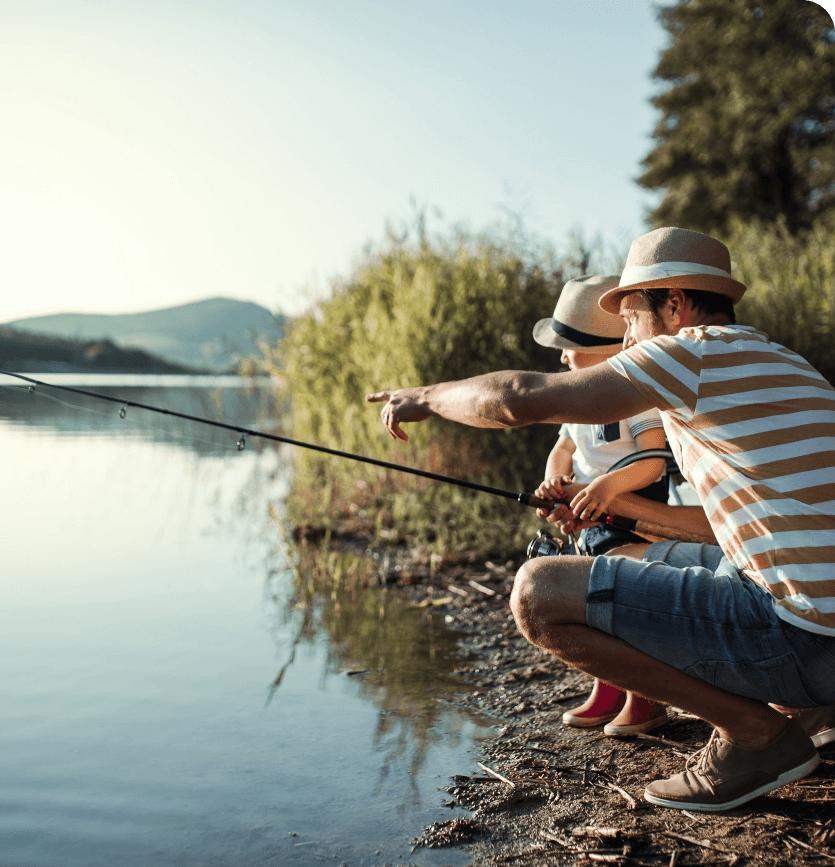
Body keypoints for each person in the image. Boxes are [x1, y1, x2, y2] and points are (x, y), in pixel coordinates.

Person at [366, 226, 835, 812]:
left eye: (632, 318)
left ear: (674, 303)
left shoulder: (688, 354)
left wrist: (429, 396)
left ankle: (758, 735)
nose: (628, 338)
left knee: (539, 593)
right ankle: (808, 706)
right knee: (707, 566)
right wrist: (617, 506)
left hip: (806, 642)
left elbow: (518, 397)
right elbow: (735, 533)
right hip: (825, 636)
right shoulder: (788, 367)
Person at [531, 274, 669, 736]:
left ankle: (644, 696)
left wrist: (608, 488)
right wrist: (556, 479)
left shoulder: (638, 395)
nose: (563, 356)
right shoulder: (578, 401)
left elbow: (653, 461)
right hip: (588, 517)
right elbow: (564, 449)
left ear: (608, 350)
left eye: (570, 346)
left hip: (634, 512)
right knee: (589, 597)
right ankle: (607, 685)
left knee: (622, 599)